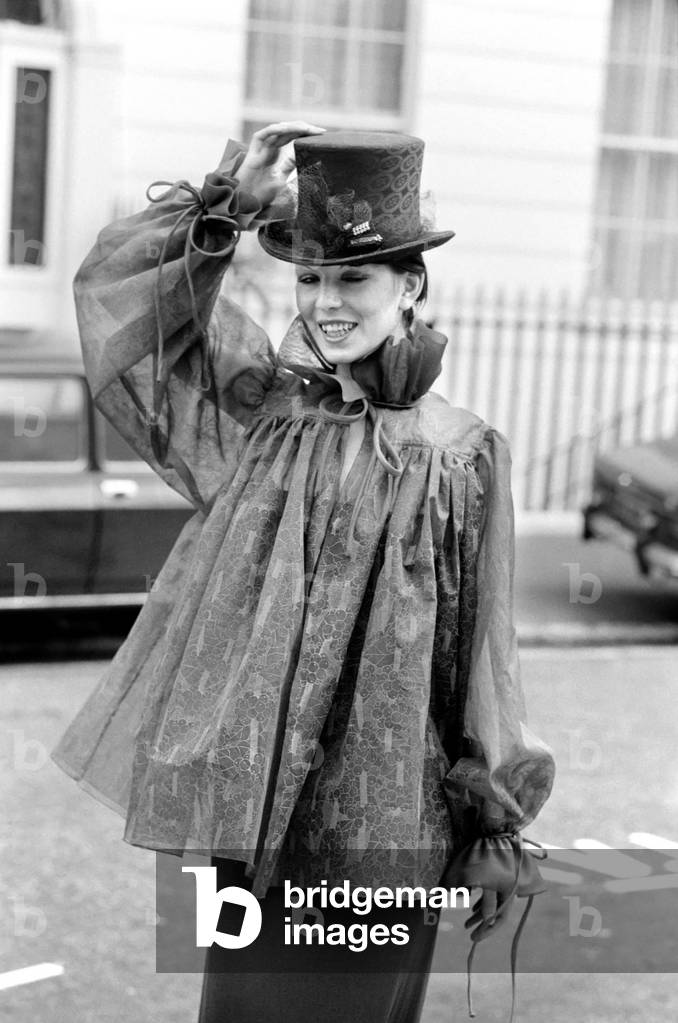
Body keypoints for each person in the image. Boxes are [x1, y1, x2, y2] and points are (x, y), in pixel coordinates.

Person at [51, 122, 556, 1022]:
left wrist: (495, 821)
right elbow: (129, 316)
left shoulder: (461, 455)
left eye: (353, 278)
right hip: (254, 818)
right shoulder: (269, 411)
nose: (326, 301)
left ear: (410, 286)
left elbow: (481, 658)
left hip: (379, 830)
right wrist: (226, 208)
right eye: (311, 278)